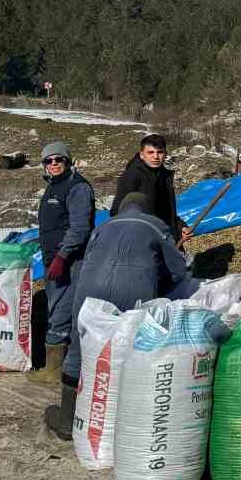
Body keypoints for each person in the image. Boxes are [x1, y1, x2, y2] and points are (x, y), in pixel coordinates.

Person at [43, 198, 194, 440]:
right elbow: (179, 271)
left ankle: (67, 420)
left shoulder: (102, 227)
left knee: (79, 346)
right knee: (131, 349)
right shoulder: (155, 225)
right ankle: (124, 420)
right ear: (146, 209)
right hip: (133, 289)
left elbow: (88, 259)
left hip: (89, 289)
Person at [27, 141, 96, 387]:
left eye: (59, 160)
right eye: (49, 160)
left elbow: (79, 228)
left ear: (68, 161)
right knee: (57, 306)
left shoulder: (76, 188)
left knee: (61, 309)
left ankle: (55, 370)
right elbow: (54, 226)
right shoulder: (54, 187)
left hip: (70, 262)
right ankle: (56, 366)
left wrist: (62, 256)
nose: (54, 164)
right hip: (53, 258)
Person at [111, 133, 191, 244]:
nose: (155, 157)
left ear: (165, 154)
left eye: (160, 152)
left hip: (164, 236)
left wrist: (180, 227)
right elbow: (116, 211)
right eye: (150, 152)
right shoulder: (132, 175)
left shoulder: (165, 176)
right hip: (141, 239)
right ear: (142, 155)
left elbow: (166, 212)